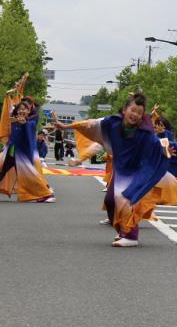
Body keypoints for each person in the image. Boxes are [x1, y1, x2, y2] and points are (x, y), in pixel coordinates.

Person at [55, 93, 170, 247]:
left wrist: (168, 150)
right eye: (133, 110)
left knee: (127, 198)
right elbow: (90, 124)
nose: (135, 115)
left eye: (139, 113)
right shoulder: (112, 123)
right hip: (120, 168)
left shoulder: (145, 132)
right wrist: (66, 126)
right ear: (125, 109)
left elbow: (157, 145)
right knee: (113, 199)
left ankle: (131, 236)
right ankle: (123, 231)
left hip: (136, 171)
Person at [0, 76, 55, 203]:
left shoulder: (31, 120)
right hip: (11, 151)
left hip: (24, 153)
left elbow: (28, 126)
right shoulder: (13, 119)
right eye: (20, 109)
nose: (22, 110)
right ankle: (44, 190)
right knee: (2, 170)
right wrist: (10, 94)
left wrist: (24, 123)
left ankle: (45, 193)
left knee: (30, 174)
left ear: (29, 110)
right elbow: (11, 104)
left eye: (25, 109)